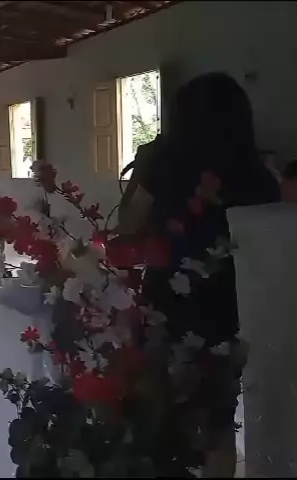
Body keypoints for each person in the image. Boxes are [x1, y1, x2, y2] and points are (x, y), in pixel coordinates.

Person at [118, 73, 280, 477]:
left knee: (159, 408)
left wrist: (142, 167)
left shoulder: (164, 164)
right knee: (217, 422)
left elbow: (128, 223)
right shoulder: (258, 174)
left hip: (168, 302)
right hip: (228, 306)